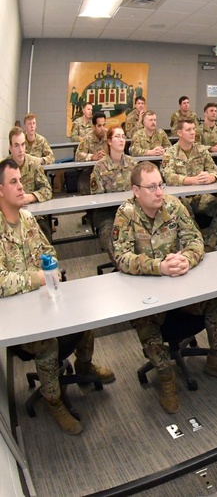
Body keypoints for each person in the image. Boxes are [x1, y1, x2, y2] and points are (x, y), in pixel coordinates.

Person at [113, 162, 217, 413]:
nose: (158, 192)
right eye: (151, 187)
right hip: (148, 293)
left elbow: (195, 239)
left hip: (182, 287)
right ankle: (165, 376)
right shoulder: (126, 214)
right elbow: (121, 258)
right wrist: (158, 267)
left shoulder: (173, 206)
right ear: (135, 190)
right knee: (144, 320)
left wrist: (187, 258)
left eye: (160, 185)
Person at [0, 158, 115, 434]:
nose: (21, 187)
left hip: (42, 298)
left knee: (83, 313)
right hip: (16, 316)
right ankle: (54, 401)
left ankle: (84, 366)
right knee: (47, 342)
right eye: (13, 182)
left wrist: (50, 270)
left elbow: (48, 252)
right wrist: (38, 278)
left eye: (20, 181)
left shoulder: (27, 219)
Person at [161, 118, 217, 249]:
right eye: (188, 130)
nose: (192, 132)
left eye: (193, 129)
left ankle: (208, 244)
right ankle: (196, 244)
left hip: (200, 197)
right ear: (179, 133)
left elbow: (214, 169)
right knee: (186, 212)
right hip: (180, 199)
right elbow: (168, 177)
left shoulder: (202, 150)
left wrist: (211, 177)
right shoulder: (170, 153)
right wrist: (193, 180)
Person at [90, 126, 136, 258]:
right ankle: (122, 265)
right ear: (109, 141)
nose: (121, 140)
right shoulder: (99, 166)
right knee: (109, 234)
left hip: (130, 209)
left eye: (123, 137)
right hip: (108, 212)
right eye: (117, 136)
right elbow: (97, 197)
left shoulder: (132, 164)